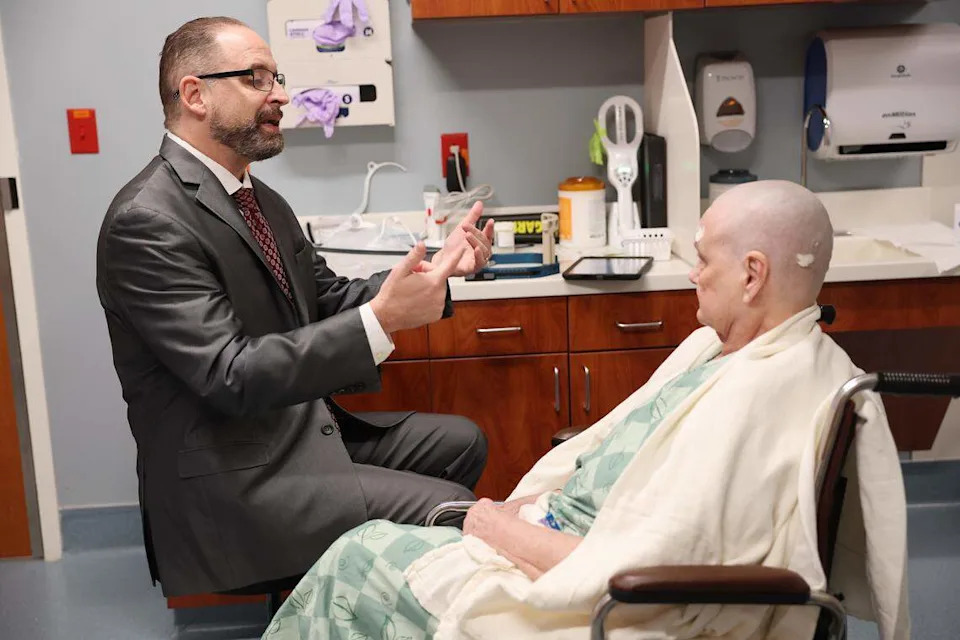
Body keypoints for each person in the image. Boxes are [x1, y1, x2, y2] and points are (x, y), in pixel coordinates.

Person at [262, 180, 909, 640]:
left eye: (703, 259)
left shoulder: (758, 396)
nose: (692, 274)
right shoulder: (720, 350)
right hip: (566, 532)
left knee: (356, 558)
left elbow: (638, 571)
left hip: (589, 593)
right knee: (367, 546)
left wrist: (493, 525)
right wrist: (528, 509)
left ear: (753, 274)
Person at [95, 16, 494, 598]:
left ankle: (361, 601)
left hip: (289, 434)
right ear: (195, 95)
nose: (281, 95)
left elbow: (326, 299)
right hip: (231, 476)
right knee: (453, 508)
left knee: (461, 442)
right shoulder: (147, 221)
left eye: (277, 78)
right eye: (256, 78)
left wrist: (435, 272)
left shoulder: (258, 199)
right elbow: (229, 374)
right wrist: (384, 318)